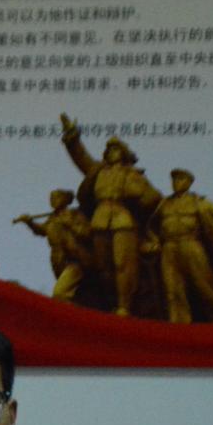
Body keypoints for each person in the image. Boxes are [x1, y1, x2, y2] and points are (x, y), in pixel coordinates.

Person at [59, 114, 163, 316]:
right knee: (103, 267)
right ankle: (110, 304)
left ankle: (125, 305)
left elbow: (153, 198)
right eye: (109, 150)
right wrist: (72, 137)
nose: (111, 152)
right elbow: (81, 157)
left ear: (123, 154)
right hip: (100, 220)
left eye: (116, 149)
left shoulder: (133, 174)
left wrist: (135, 193)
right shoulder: (98, 171)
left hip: (123, 221)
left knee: (124, 265)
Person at [149, 168, 213, 324]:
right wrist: (154, 241)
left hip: (192, 245)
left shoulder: (200, 202)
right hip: (169, 248)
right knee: (173, 289)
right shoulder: (164, 204)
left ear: (189, 183)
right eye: (174, 180)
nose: (176, 183)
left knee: (206, 285)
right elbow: (152, 226)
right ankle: (179, 326)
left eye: (181, 179)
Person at [13, 189, 96, 304]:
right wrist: (29, 223)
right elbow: (42, 230)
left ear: (65, 200)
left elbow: (86, 232)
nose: (52, 201)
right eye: (51, 198)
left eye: (56, 197)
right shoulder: (53, 218)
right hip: (58, 260)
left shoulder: (74, 214)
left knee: (60, 293)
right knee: (71, 293)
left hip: (74, 259)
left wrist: (69, 223)